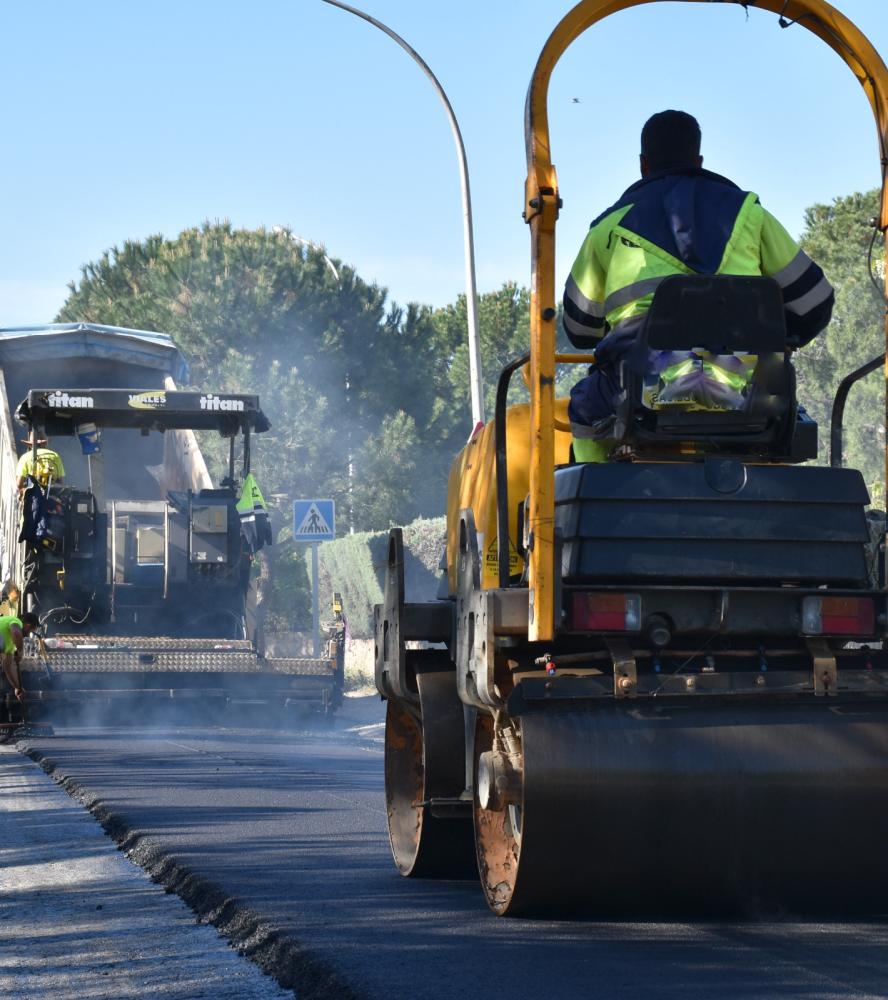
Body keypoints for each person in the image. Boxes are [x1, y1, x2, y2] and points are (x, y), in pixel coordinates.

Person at [563, 110, 834, 461]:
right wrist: (779, 340)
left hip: (645, 390)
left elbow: (580, 331)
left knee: (584, 408)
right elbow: (815, 303)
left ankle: (594, 499)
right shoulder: (750, 215)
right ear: (698, 160)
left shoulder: (608, 229)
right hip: (744, 388)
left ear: (643, 165)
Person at [0, 611, 38, 704]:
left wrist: (17, 687)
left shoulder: (9, 646)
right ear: (27, 625)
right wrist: (21, 651)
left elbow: (8, 668)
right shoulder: (15, 621)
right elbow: (16, 631)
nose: (27, 635)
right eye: (30, 632)